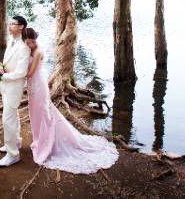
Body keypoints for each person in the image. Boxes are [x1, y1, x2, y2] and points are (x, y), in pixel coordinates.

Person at [22, 27, 119, 174]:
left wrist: (12, 72)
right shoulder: (27, 49)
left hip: (38, 85)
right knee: (35, 113)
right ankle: (39, 139)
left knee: (44, 113)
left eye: (32, 42)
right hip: (32, 87)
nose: (30, 45)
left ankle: (46, 143)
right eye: (27, 43)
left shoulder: (38, 52)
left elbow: (29, 74)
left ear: (36, 40)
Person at [0, 15, 30, 167]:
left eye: (13, 24)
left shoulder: (24, 47)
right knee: (13, 116)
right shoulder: (11, 42)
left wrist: (2, 75)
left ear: (21, 27)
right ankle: (16, 142)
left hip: (14, 87)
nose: (9, 26)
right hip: (6, 86)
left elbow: (21, 73)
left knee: (7, 119)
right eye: (9, 23)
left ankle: (12, 154)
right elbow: (8, 64)